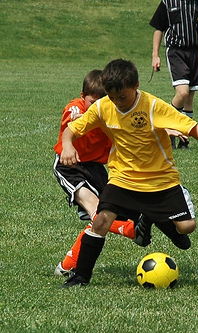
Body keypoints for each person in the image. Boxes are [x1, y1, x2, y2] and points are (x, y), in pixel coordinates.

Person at [59, 59, 198, 288]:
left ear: (137, 86)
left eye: (123, 97)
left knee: (187, 228)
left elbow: (190, 126)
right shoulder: (102, 107)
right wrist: (68, 145)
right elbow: (72, 129)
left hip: (160, 180)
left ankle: (154, 215)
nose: (118, 103)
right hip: (123, 177)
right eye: (112, 98)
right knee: (101, 221)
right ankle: (80, 277)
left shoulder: (152, 106)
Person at [52, 69, 136, 276]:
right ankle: (130, 230)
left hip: (96, 170)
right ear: (83, 98)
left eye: (102, 102)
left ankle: (67, 265)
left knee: (102, 217)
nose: (96, 107)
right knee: (96, 210)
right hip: (70, 166)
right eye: (92, 102)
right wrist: (81, 120)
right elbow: (72, 117)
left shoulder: (110, 112)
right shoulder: (76, 108)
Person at [150, 0, 198, 149]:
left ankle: (183, 139)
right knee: (182, 92)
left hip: (195, 52)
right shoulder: (168, 2)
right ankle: (168, 127)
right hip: (176, 51)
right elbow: (158, 29)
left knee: (189, 96)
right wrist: (155, 55)